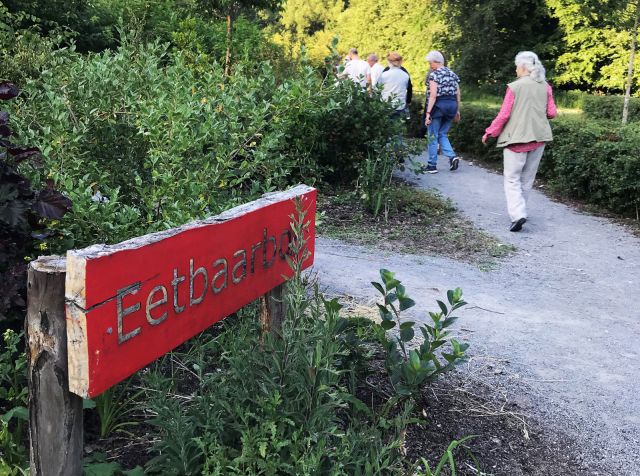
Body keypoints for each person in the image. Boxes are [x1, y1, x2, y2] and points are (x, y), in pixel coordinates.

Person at [482, 51, 557, 232]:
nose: (516, 69)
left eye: (517, 66)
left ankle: (518, 214)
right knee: (527, 179)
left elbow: (504, 114)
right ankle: (521, 211)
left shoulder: (515, 87)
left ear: (523, 67)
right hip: (539, 138)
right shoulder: (545, 86)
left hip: (517, 140)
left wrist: (490, 132)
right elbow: (552, 113)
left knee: (512, 179)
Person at [424, 50, 461, 174]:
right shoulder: (452, 74)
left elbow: (433, 95)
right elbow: (457, 93)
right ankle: (452, 156)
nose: (430, 65)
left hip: (439, 106)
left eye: (430, 63)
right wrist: (458, 110)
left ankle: (432, 165)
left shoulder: (434, 75)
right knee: (443, 134)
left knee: (432, 136)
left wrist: (428, 113)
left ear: (436, 61)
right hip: (452, 105)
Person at [379, 52, 411, 120]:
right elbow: (409, 88)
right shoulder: (405, 75)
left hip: (385, 105)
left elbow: (378, 89)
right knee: (398, 127)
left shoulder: (384, 75)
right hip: (400, 105)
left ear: (389, 62)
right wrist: (408, 101)